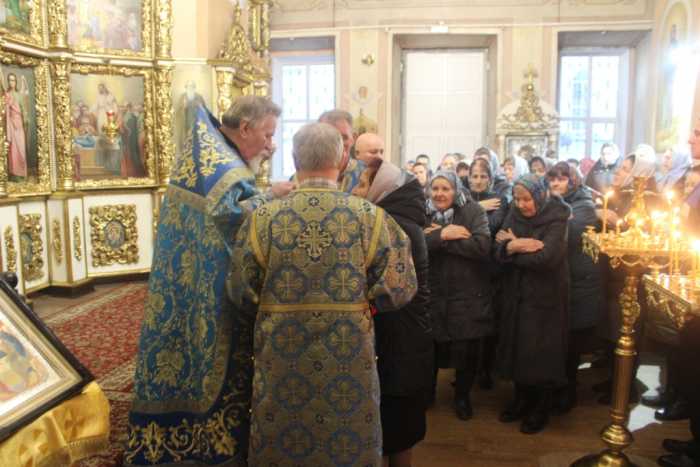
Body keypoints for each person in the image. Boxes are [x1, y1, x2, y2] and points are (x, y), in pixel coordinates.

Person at [227, 122, 417, 466]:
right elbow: (400, 286)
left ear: (294, 158)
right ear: (343, 159)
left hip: (281, 357)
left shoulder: (262, 219)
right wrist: (363, 305)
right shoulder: (371, 218)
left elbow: (240, 290)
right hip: (349, 359)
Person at [125, 97, 294, 467]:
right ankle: (208, 438)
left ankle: (185, 431)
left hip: (191, 272)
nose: (271, 144)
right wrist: (271, 196)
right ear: (245, 128)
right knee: (210, 348)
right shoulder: (221, 162)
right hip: (208, 278)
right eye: (267, 135)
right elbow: (229, 215)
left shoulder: (216, 152)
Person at [352, 157, 433, 467]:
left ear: (383, 190)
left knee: (396, 428)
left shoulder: (395, 227)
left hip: (399, 340)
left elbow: (389, 291)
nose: (356, 190)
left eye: (363, 184)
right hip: (400, 338)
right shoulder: (391, 221)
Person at [494, 174, 570, 434]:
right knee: (517, 350)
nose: (521, 205)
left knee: (539, 354)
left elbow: (547, 258)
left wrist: (512, 249)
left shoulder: (557, 217)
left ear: (539, 196)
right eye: (517, 199)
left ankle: (540, 408)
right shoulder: (514, 214)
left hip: (545, 298)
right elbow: (497, 249)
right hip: (516, 295)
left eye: (526, 199)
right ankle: (520, 400)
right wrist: (515, 246)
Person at [425, 171, 492, 420]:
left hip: (466, 292)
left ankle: (462, 397)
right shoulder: (423, 211)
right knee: (430, 349)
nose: (439, 194)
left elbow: (482, 246)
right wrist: (444, 234)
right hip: (433, 292)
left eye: (446, 188)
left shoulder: (473, 211)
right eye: (435, 189)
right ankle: (427, 393)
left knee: (466, 351)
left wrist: (438, 237)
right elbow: (414, 242)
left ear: (456, 190)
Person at [547, 162, 603, 413]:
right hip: (563, 281)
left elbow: (564, 234)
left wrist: (549, 220)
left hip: (580, 284)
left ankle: (567, 394)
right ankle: (556, 389)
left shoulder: (585, 205)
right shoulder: (556, 203)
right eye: (552, 179)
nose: (555, 183)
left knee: (571, 345)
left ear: (573, 181)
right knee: (558, 343)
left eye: (561, 179)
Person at [467, 158, 509, 390]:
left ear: (490, 179)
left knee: (488, 323)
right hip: (468, 267)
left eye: (483, 176)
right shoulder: (464, 198)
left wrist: (470, 213)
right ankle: (468, 370)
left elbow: (489, 228)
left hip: (490, 269)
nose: (478, 181)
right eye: (474, 176)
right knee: (469, 323)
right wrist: (478, 208)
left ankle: (485, 370)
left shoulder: (499, 200)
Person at [317, 109, 365, 192]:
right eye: (328, 138)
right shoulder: (304, 177)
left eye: (343, 138)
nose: (336, 145)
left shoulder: (368, 175)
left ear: (354, 138)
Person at [4, 72, 28, 179]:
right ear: (8, 82)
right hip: (11, 125)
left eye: (13, 80)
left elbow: (23, 109)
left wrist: (25, 119)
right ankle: (14, 174)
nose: (11, 82)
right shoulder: (7, 94)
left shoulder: (19, 95)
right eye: (10, 80)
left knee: (21, 149)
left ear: (16, 82)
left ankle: (22, 173)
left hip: (19, 124)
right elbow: (5, 110)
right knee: (13, 149)